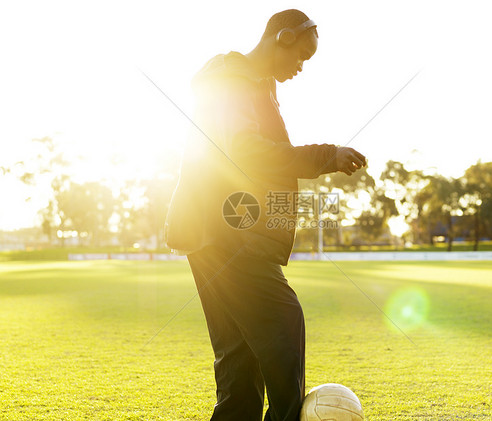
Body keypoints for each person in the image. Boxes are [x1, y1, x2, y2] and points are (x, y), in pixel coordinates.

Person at [179, 9, 366, 421]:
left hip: (213, 231)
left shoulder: (251, 86)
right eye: (300, 56)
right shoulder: (233, 82)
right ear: (281, 38)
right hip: (227, 231)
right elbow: (246, 150)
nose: (300, 68)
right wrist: (325, 156)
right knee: (282, 320)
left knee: (239, 361)